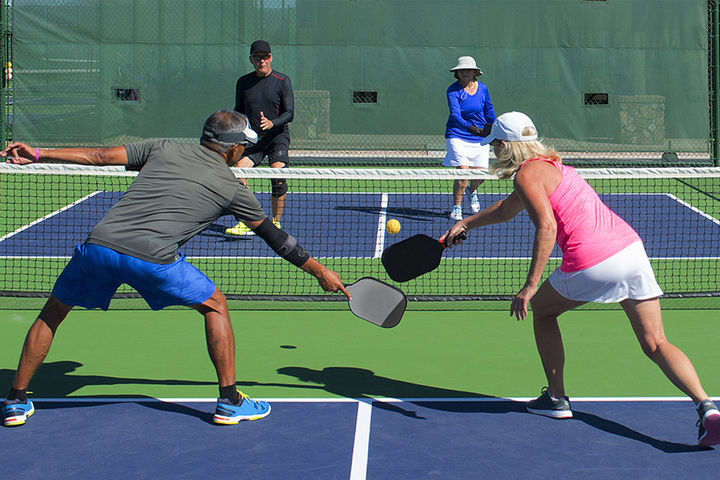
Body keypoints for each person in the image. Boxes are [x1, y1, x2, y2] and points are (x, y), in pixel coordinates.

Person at [1, 110, 350, 427]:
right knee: (215, 304)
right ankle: (229, 400)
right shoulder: (233, 188)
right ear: (230, 150)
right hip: (152, 258)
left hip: (100, 246)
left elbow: (100, 157)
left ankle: (15, 400)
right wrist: (321, 272)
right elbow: (277, 239)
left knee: (54, 311)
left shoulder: (162, 148)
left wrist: (36, 155)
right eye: (243, 146)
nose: (244, 152)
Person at [441, 111, 720, 447]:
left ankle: (557, 399)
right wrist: (466, 223)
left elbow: (547, 226)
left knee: (543, 311)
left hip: (592, 260)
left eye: (496, 145)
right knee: (656, 343)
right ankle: (707, 408)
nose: (494, 151)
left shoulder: (527, 176)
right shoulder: (554, 168)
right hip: (630, 250)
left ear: (505, 145)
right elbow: (505, 209)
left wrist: (530, 286)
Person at [225, 39, 294, 236]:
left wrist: (273, 123)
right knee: (238, 173)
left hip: (277, 138)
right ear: (251, 60)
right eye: (257, 58)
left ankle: (276, 222)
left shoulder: (282, 81)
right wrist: (238, 132)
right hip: (254, 141)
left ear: (270, 58)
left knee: (278, 176)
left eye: (265, 57)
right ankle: (248, 221)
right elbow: (238, 111)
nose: (261, 61)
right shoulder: (244, 83)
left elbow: (290, 113)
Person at [443, 56, 496, 221]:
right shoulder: (452, 90)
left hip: (479, 137)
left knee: (480, 175)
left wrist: (494, 128)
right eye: (461, 70)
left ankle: (472, 191)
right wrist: (471, 128)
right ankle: (457, 206)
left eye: (468, 70)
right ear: (457, 73)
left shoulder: (483, 89)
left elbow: (488, 109)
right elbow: (455, 115)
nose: (464, 72)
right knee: (463, 171)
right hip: (457, 134)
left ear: (474, 73)